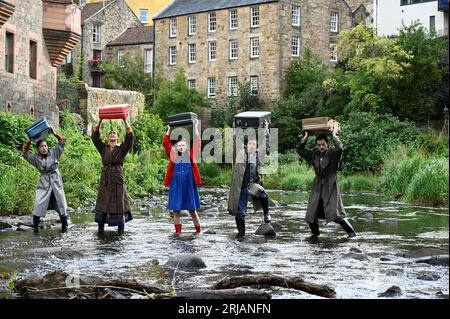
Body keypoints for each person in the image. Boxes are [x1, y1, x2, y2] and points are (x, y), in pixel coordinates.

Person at [297, 126, 356, 238]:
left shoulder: (333, 154)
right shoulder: (314, 154)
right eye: (319, 145)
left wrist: (334, 135)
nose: (321, 147)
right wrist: (305, 137)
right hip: (318, 186)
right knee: (311, 215)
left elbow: (340, 149)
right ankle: (315, 235)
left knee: (336, 214)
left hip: (331, 185)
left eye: (323, 144)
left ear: (327, 144)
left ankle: (352, 234)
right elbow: (300, 150)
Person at [227, 120, 271, 238]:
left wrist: (265, 129)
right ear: (246, 145)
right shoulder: (240, 153)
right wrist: (235, 127)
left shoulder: (257, 154)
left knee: (263, 193)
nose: (253, 145)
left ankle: (266, 214)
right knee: (240, 214)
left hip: (251, 185)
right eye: (250, 143)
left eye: (255, 144)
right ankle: (241, 235)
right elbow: (236, 140)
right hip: (240, 187)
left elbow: (265, 145)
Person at [92, 118, 134, 235]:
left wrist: (125, 121)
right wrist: (100, 121)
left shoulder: (121, 149)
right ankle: (100, 230)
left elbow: (130, 138)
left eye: (114, 133)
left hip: (117, 178)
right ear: (107, 137)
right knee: (103, 202)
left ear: (118, 137)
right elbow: (95, 137)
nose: (112, 134)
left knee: (119, 203)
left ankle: (121, 231)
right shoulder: (103, 148)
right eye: (110, 133)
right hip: (105, 179)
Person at [23, 130, 69, 234]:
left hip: (55, 180)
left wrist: (54, 134)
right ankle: (35, 228)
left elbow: (62, 142)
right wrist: (29, 142)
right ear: (38, 149)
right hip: (44, 182)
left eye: (45, 146)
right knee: (39, 203)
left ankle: (65, 227)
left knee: (60, 203)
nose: (44, 148)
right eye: (41, 147)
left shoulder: (54, 152)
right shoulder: (35, 158)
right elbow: (25, 154)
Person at [162, 119, 202, 235]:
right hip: (176, 185)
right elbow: (165, 142)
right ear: (176, 147)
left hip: (189, 185)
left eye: (183, 145)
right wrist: (169, 129)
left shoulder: (191, 155)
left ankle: (199, 231)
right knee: (176, 211)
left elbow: (197, 141)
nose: (181, 147)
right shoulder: (173, 155)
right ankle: (178, 233)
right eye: (179, 145)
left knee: (192, 210)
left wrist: (195, 126)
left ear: (186, 147)